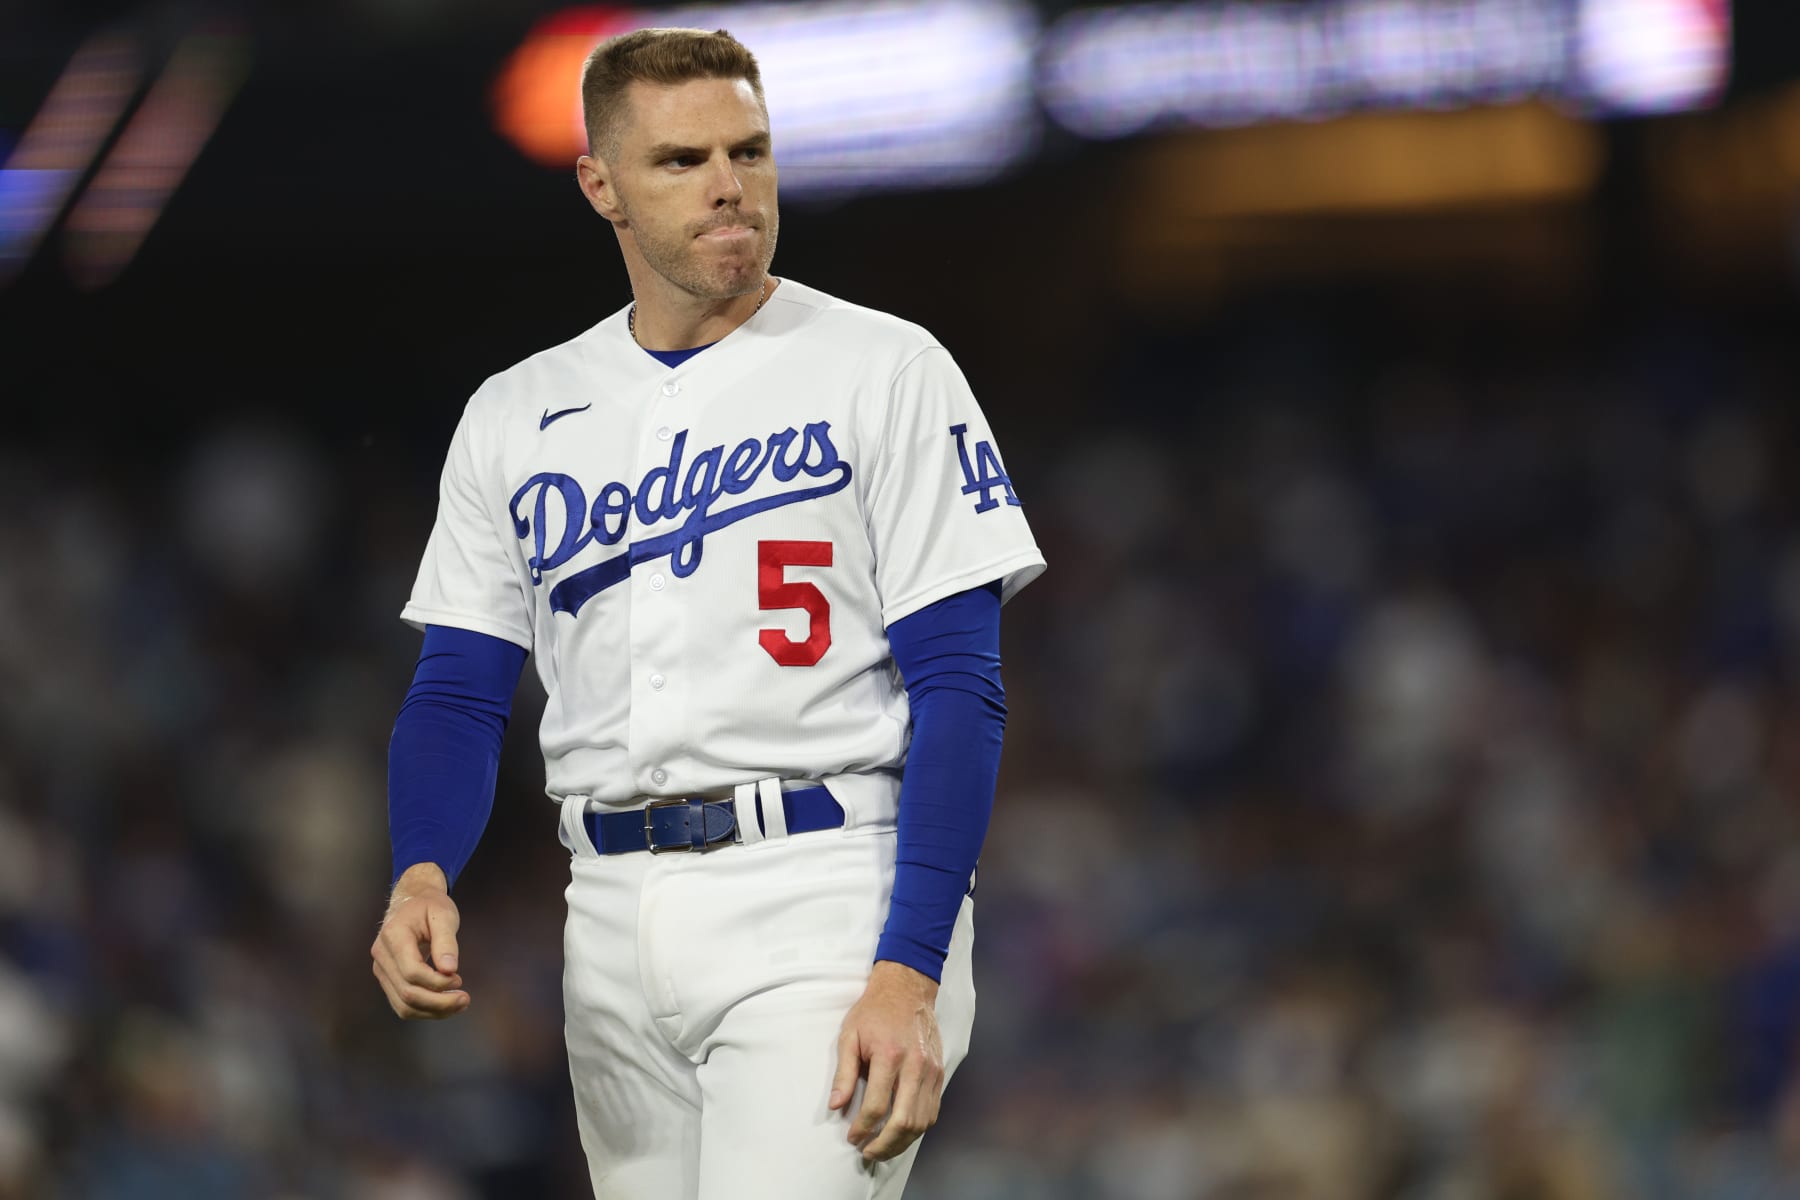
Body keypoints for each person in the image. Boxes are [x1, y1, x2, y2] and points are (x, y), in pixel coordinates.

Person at [369, 26, 1043, 1199]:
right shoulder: (518, 411)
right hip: (609, 914)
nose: (729, 184)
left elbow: (960, 689)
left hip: (825, 889)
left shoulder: (886, 368)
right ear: (602, 187)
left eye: (750, 151)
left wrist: (909, 969)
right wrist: (421, 869)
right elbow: (459, 692)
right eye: (682, 160)